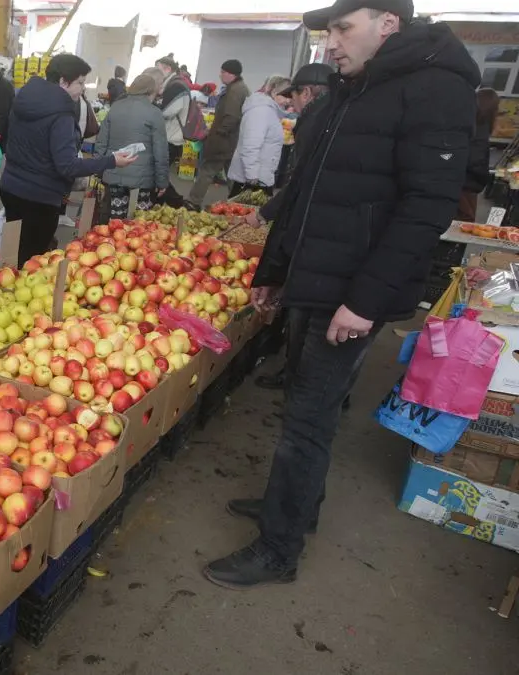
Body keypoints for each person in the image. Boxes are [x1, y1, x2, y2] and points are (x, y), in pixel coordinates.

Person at [206, 0, 478, 590]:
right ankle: (298, 505)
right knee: (308, 409)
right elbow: (307, 190)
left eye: (343, 29)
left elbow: (425, 208)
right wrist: (274, 271)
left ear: (389, 23)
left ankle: (279, 550)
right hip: (317, 276)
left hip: (352, 290)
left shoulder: (433, 89)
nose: (331, 43)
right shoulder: (352, 88)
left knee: (305, 418)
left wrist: (365, 299)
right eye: (329, 31)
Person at [1, 54, 135, 265]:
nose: (82, 89)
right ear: (63, 81)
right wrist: (111, 160)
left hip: (11, 188)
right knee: (33, 262)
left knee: (13, 255)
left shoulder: (24, 98)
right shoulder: (61, 113)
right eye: (80, 83)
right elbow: (67, 166)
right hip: (41, 198)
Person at [251, 62, 334, 392]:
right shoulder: (332, 117)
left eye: (294, 97)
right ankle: (303, 378)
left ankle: (297, 381)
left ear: (308, 92)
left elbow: (299, 184)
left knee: (304, 315)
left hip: (313, 237)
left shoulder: (316, 121)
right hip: (323, 235)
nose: (292, 105)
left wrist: (266, 212)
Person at [94, 72, 169, 220]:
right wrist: (162, 182)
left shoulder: (115, 107)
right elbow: (160, 151)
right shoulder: (154, 113)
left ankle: (112, 242)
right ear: (151, 90)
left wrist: (98, 167)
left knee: (116, 220)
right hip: (143, 178)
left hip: (115, 168)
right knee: (139, 223)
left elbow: (101, 141)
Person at [187, 59, 250, 206]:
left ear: (230, 74)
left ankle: (193, 202)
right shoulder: (239, 88)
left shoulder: (235, 91)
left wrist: (218, 133)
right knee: (232, 174)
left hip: (223, 140)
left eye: (222, 72)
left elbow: (232, 116)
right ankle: (239, 203)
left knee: (207, 170)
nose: (220, 75)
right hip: (231, 140)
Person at [227, 75, 291, 199]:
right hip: (253, 181)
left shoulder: (269, 111)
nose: (288, 100)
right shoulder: (261, 111)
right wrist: (252, 177)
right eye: (285, 95)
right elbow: (251, 145)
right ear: (273, 91)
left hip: (260, 177)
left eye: (290, 96)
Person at [460, 88, 500, 222]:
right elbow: (473, 161)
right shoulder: (481, 130)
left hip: (462, 184)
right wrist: (486, 177)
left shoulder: (468, 123)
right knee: (463, 224)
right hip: (466, 186)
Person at [155, 55, 190, 165]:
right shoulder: (174, 84)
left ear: (168, 69)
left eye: (158, 70)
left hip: (171, 139)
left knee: (160, 173)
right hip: (171, 136)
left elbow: (166, 112)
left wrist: (152, 104)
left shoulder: (176, 86)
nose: (156, 74)